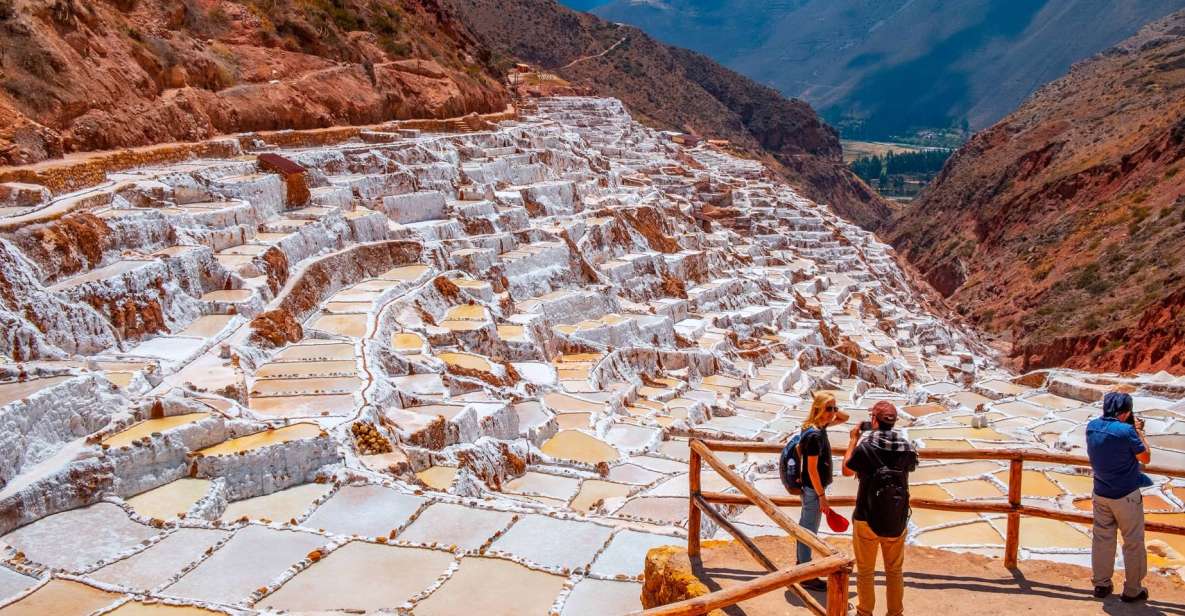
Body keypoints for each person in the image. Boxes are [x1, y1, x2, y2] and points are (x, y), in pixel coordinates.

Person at [842, 401, 918, 616]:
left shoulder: (866, 446)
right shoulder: (906, 447)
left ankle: (864, 612)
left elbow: (847, 470)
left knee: (866, 571)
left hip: (866, 516)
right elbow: (909, 467)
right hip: (897, 517)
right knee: (894, 571)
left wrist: (854, 439)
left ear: (874, 419)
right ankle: (895, 613)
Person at [1087, 391, 1152, 602]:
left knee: (1102, 539)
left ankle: (1101, 584)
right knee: (1133, 542)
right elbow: (1145, 457)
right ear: (1125, 412)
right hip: (1126, 496)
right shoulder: (1126, 431)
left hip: (1100, 493)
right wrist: (1139, 432)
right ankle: (1133, 590)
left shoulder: (1092, 427)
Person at [797, 392, 849, 591]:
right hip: (813, 490)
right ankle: (805, 574)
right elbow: (811, 469)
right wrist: (822, 497)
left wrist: (830, 406)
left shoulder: (815, 427)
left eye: (834, 408)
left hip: (812, 489)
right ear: (817, 408)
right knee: (809, 531)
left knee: (807, 528)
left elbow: (846, 417)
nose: (833, 413)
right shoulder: (815, 435)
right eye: (829, 409)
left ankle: (802, 567)